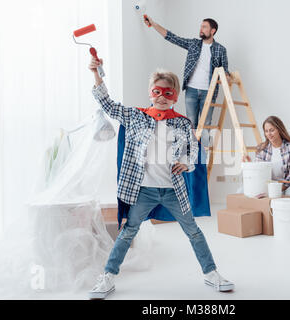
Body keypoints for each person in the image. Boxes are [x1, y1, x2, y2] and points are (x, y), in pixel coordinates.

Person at [87, 57, 235, 300]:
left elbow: (193, 151)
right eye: (157, 91)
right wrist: (96, 73)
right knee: (127, 231)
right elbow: (107, 104)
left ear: (175, 96)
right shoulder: (136, 116)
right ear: (150, 93)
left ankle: (211, 273)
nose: (162, 96)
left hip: (172, 191)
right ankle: (108, 277)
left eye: (168, 92)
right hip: (143, 190)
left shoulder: (183, 124)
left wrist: (186, 163)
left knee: (194, 231)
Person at [145, 16, 231, 148]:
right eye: (201, 26)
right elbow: (172, 37)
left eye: (204, 27)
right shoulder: (194, 44)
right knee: (191, 123)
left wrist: (227, 76)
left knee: (206, 123)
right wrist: (154, 24)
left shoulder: (221, 49)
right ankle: (191, 154)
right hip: (191, 90)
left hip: (209, 91)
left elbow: (224, 70)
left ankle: (203, 156)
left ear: (213, 31)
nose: (201, 29)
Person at [243, 116, 290, 198]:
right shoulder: (261, 149)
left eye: (272, 130)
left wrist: (276, 190)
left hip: (286, 187)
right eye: (266, 131)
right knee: (241, 191)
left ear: (279, 130)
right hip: (267, 188)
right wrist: (249, 165)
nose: (269, 134)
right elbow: (258, 173)